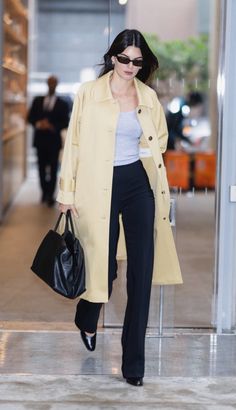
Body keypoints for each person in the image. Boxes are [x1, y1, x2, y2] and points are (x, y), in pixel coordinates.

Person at [57, 29, 182, 387]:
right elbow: (75, 145)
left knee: (141, 273)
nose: (130, 66)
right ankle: (87, 314)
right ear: (113, 57)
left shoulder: (147, 96)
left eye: (137, 61)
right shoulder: (89, 94)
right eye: (124, 59)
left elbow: (159, 138)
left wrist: (148, 148)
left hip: (137, 185)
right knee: (104, 266)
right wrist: (66, 192)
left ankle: (134, 364)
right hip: (98, 187)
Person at [28, 76, 70, 206]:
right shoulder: (37, 100)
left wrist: (52, 126)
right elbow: (30, 118)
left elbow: (66, 121)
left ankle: (50, 195)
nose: (51, 85)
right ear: (47, 84)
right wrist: (39, 124)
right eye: (50, 83)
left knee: (53, 169)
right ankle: (44, 192)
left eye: (54, 83)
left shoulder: (63, 103)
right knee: (40, 168)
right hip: (40, 140)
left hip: (54, 141)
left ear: (57, 84)